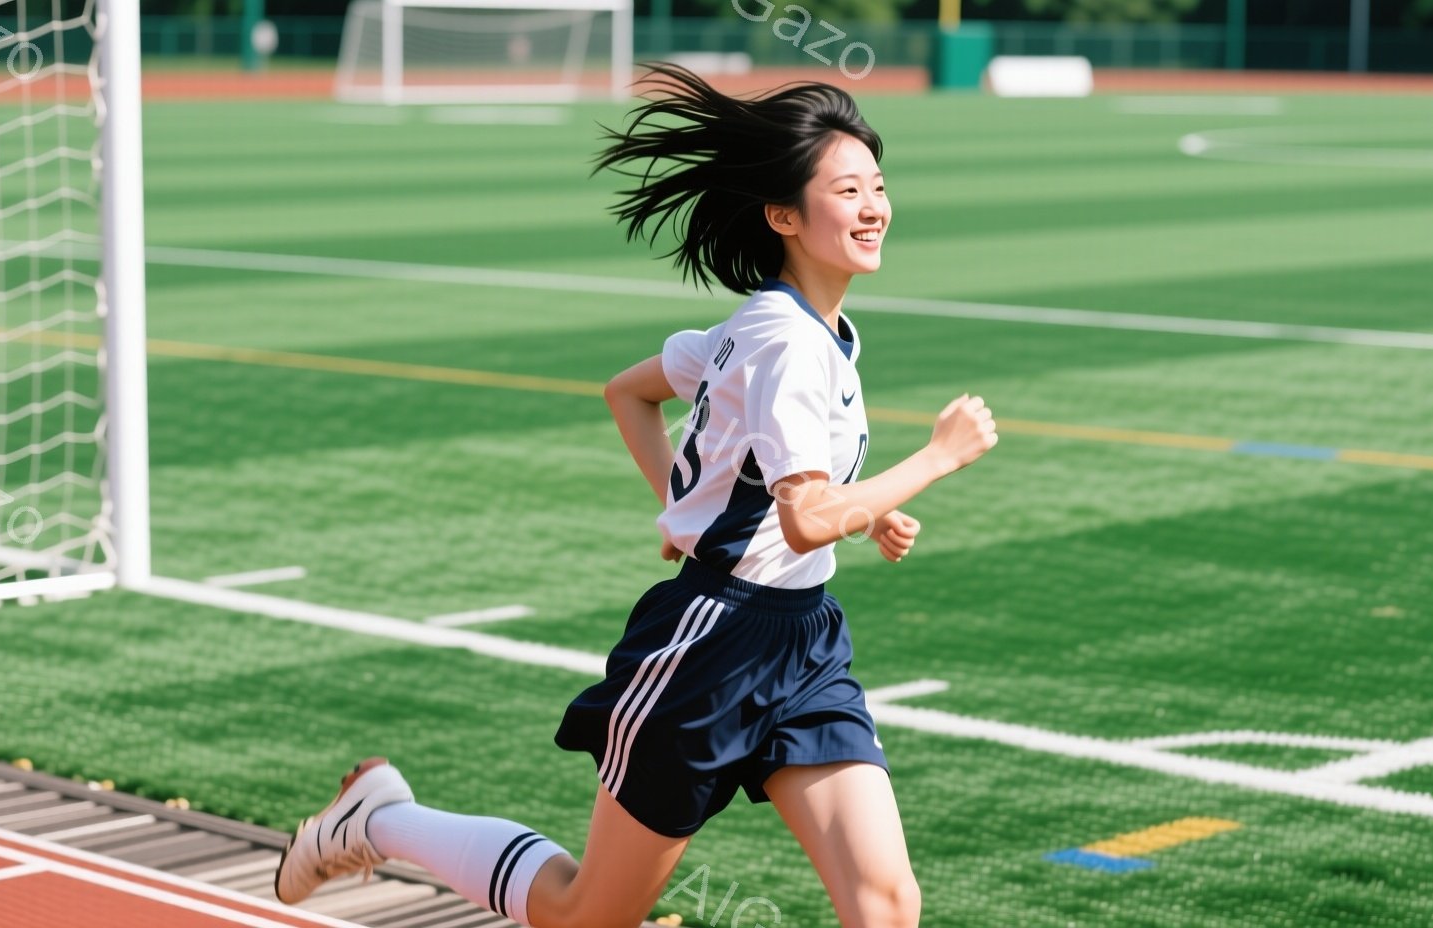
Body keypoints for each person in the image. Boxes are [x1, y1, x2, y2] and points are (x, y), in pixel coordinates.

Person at [274, 63, 997, 928]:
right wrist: (935, 459)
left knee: (885, 902)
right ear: (783, 215)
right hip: (709, 647)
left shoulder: (805, 328)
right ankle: (383, 819)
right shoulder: (786, 344)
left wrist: (722, 512)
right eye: (848, 190)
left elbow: (638, 394)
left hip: (804, 642)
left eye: (878, 185)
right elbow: (805, 520)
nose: (874, 206)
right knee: (588, 915)